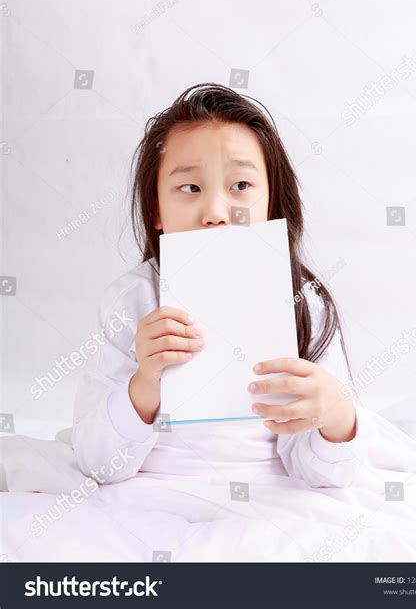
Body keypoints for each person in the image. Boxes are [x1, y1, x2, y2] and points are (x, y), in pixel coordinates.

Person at [71, 83, 367, 488]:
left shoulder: (303, 302)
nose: (215, 212)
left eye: (240, 186)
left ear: (271, 201)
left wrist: (334, 413)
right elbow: (97, 462)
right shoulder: (132, 301)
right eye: (189, 188)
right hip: (154, 490)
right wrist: (145, 382)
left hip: (266, 497)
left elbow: (329, 476)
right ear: (156, 208)